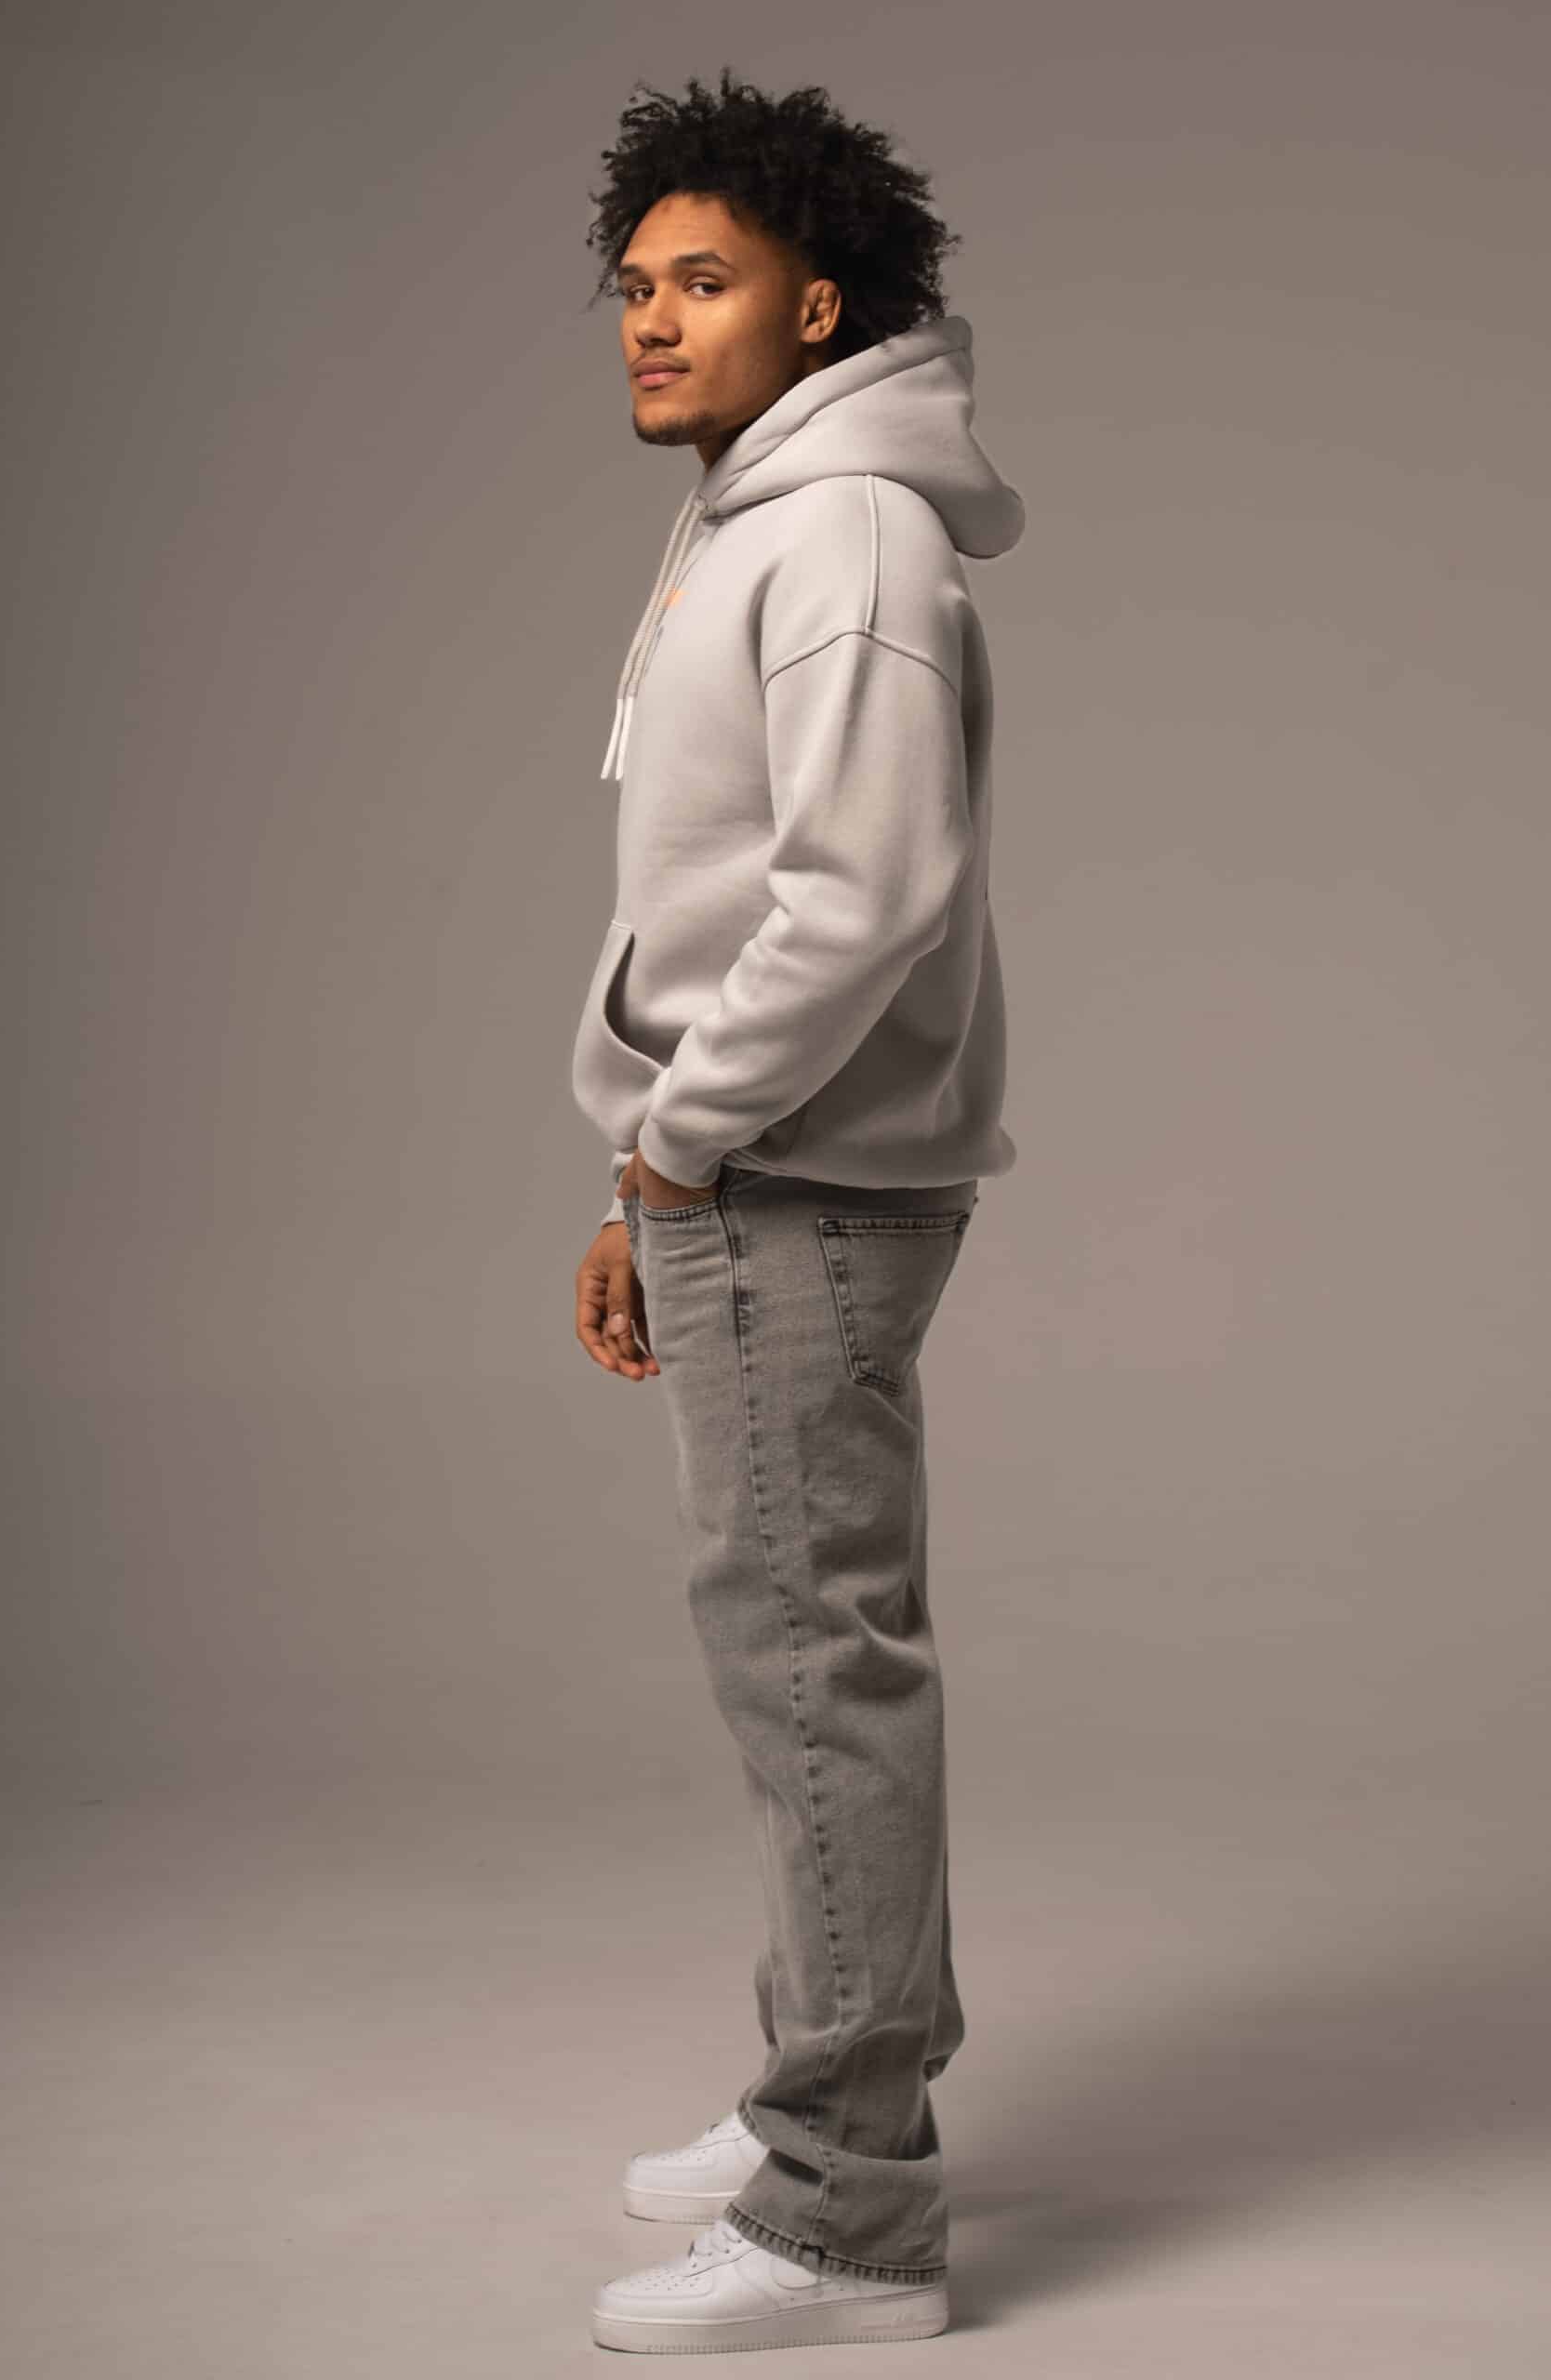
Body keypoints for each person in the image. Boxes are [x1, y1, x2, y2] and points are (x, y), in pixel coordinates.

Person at [568, 67, 1025, 2355]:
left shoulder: (839, 533)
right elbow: (717, 890)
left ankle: (850, 2208)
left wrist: (679, 1143)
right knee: (818, 1667)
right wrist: (640, 1161)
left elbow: (857, 900)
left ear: (819, 303)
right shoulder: (766, 515)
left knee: (817, 1678)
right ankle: (832, 2100)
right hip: (765, 1163)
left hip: (795, 1173)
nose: (653, 319)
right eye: (636, 284)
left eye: (707, 280)